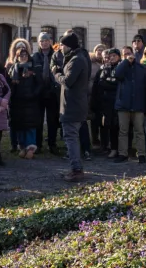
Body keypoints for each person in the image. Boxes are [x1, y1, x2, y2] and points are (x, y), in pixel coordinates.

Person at [52, 31, 91, 182]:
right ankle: (76, 168)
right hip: (75, 105)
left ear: (68, 45)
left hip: (72, 106)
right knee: (72, 137)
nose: (60, 47)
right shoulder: (77, 58)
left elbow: (68, 81)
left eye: (62, 44)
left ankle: (76, 170)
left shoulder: (76, 60)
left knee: (71, 138)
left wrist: (56, 73)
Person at [113, 46, 146, 163]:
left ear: (133, 54)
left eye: (129, 53)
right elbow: (117, 74)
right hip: (123, 104)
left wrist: (145, 104)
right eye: (125, 54)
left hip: (138, 105)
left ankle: (141, 154)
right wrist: (125, 62)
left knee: (139, 130)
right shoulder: (121, 67)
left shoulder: (141, 68)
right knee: (123, 131)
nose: (127, 56)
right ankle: (123, 153)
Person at [8, 45, 43, 158]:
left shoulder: (34, 68)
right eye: (20, 55)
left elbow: (39, 83)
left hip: (31, 101)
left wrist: (34, 94)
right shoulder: (14, 69)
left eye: (25, 55)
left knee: (30, 125)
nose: (23, 57)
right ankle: (22, 146)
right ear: (17, 57)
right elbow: (10, 86)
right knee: (20, 125)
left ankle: (30, 148)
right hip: (18, 102)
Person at [33, 33, 61, 156]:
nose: (43, 42)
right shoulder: (35, 56)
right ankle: (38, 145)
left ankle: (52, 144)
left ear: (50, 41)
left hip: (52, 92)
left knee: (52, 121)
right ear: (39, 43)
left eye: (46, 40)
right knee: (38, 121)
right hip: (39, 92)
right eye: (41, 40)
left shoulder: (56, 55)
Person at [97, 48, 121, 157]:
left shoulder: (120, 68)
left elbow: (119, 84)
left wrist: (110, 82)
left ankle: (119, 148)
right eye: (110, 56)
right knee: (108, 125)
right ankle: (111, 148)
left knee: (118, 126)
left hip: (117, 101)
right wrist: (111, 82)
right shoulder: (105, 68)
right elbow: (101, 83)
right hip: (107, 102)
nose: (111, 58)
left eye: (114, 56)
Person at [88, 44, 106, 150]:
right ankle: (95, 141)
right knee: (93, 120)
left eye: (102, 50)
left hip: (104, 96)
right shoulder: (90, 63)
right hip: (91, 96)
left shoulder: (107, 63)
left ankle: (104, 142)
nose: (99, 51)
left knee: (103, 121)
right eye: (98, 50)